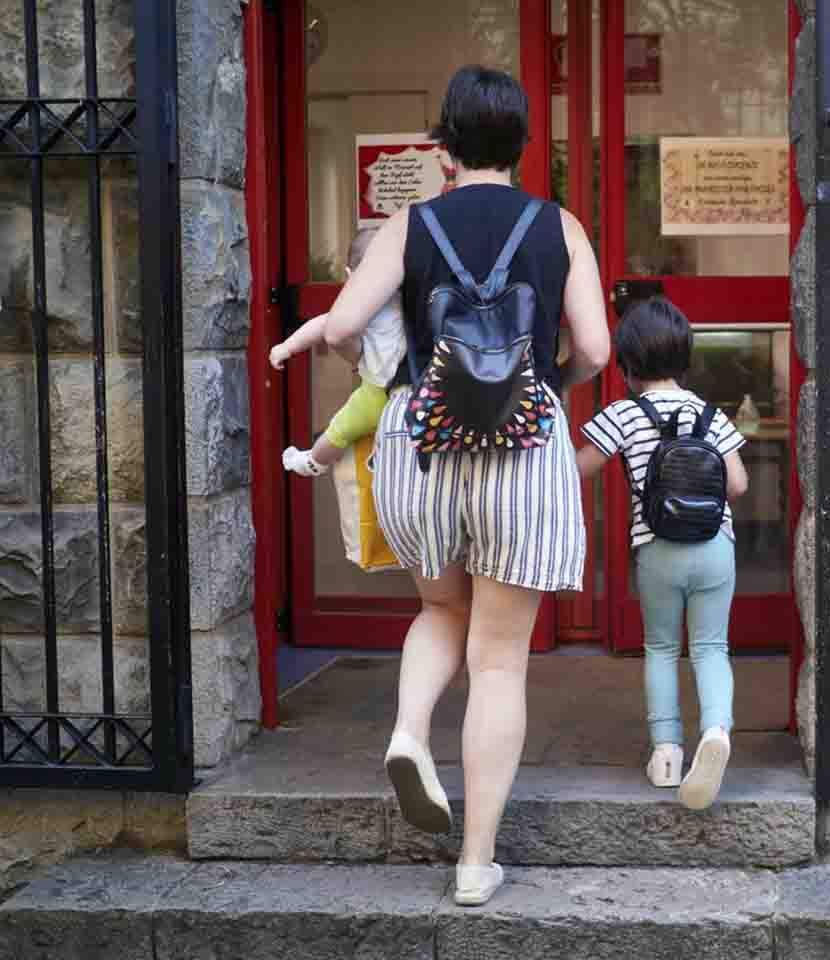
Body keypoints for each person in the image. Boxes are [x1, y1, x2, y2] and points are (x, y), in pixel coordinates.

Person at [318, 66, 610, 906]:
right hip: (524, 448)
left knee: (440, 610)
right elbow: (594, 349)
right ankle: (476, 862)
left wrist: (393, 374)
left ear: (444, 147)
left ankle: (410, 732)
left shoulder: (409, 225)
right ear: (522, 146)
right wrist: (542, 376)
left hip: (422, 446)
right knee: (500, 660)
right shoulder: (561, 226)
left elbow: (340, 327)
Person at [576, 297, 749, 811]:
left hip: (656, 548)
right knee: (712, 646)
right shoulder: (710, 414)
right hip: (715, 546)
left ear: (628, 363)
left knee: (660, 648)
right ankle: (716, 732)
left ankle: (667, 752)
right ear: (684, 356)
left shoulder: (623, 415)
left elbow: (576, 469)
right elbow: (736, 484)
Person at [269, 228, 405, 478]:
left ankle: (313, 461)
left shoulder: (361, 305)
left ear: (350, 275)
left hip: (376, 393)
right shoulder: (409, 300)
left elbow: (324, 325)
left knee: (338, 431)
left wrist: (286, 347)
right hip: (414, 391)